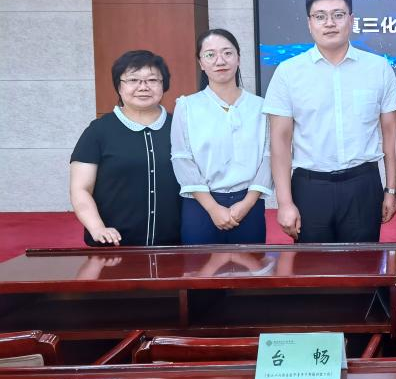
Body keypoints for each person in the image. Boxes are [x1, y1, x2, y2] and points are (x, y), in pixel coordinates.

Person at [263, 0, 396, 243]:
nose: (329, 23)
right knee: (313, 265)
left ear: (351, 20)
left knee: (363, 264)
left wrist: (391, 190)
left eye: (338, 15)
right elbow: (279, 143)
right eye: (320, 16)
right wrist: (284, 202)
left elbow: (391, 134)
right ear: (309, 23)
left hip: (363, 185)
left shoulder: (378, 68)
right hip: (310, 188)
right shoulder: (288, 72)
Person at [170, 29, 272, 245]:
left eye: (227, 53)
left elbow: (268, 157)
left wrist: (247, 203)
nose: (220, 61)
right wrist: (213, 208)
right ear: (201, 63)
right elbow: (182, 159)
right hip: (200, 205)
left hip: (249, 206)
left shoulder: (260, 106)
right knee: (201, 266)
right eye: (210, 55)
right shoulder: (186, 106)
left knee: (251, 265)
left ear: (238, 58)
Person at [70, 50, 181, 246]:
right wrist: (97, 228)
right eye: (133, 80)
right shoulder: (98, 131)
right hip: (114, 247)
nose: (143, 87)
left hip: (175, 246)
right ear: (119, 87)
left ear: (164, 85)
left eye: (152, 80)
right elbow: (80, 188)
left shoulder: (181, 128)